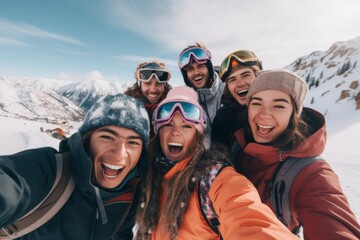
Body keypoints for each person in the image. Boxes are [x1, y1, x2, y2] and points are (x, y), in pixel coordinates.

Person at [134, 86, 299, 240]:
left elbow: (249, 217)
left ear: (198, 136)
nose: (175, 132)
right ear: (158, 132)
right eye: (168, 125)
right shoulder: (147, 175)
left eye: (186, 127)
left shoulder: (213, 179)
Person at [0, 93, 150, 239]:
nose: (119, 154)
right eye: (107, 137)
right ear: (86, 140)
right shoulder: (50, 173)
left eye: (133, 142)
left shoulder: (128, 196)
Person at [232, 69, 360, 239]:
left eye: (278, 105)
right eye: (256, 103)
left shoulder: (311, 173)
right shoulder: (238, 145)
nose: (264, 114)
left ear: (294, 114)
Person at [211, 49, 263, 151]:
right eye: (232, 80)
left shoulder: (279, 106)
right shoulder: (224, 117)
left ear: (258, 76)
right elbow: (216, 155)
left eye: (246, 75)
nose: (240, 83)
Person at [178, 42, 225, 135]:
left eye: (201, 66)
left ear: (209, 68)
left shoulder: (228, 91)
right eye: (190, 69)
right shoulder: (186, 101)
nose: (196, 72)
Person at [125, 59, 172, 138]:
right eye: (147, 83)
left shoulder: (173, 109)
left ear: (164, 86)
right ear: (140, 85)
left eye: (158, 83)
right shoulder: (127, 109)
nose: (153, 89)